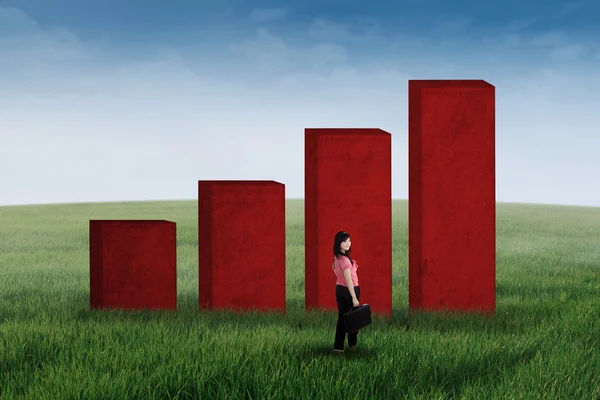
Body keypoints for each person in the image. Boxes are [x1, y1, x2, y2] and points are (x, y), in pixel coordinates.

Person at [331, 231, 360, 354]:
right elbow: (349, 280)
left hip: (340, 289)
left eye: (349, 240)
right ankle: (352, 345)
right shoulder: (346, 261)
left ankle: (338, 347)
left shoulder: (337, 258)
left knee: (342, 318)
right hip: (350, 290)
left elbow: (335, 270)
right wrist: (354, 297)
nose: (348, 243)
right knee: (353, 318)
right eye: (344, 241)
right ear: (339, 243)